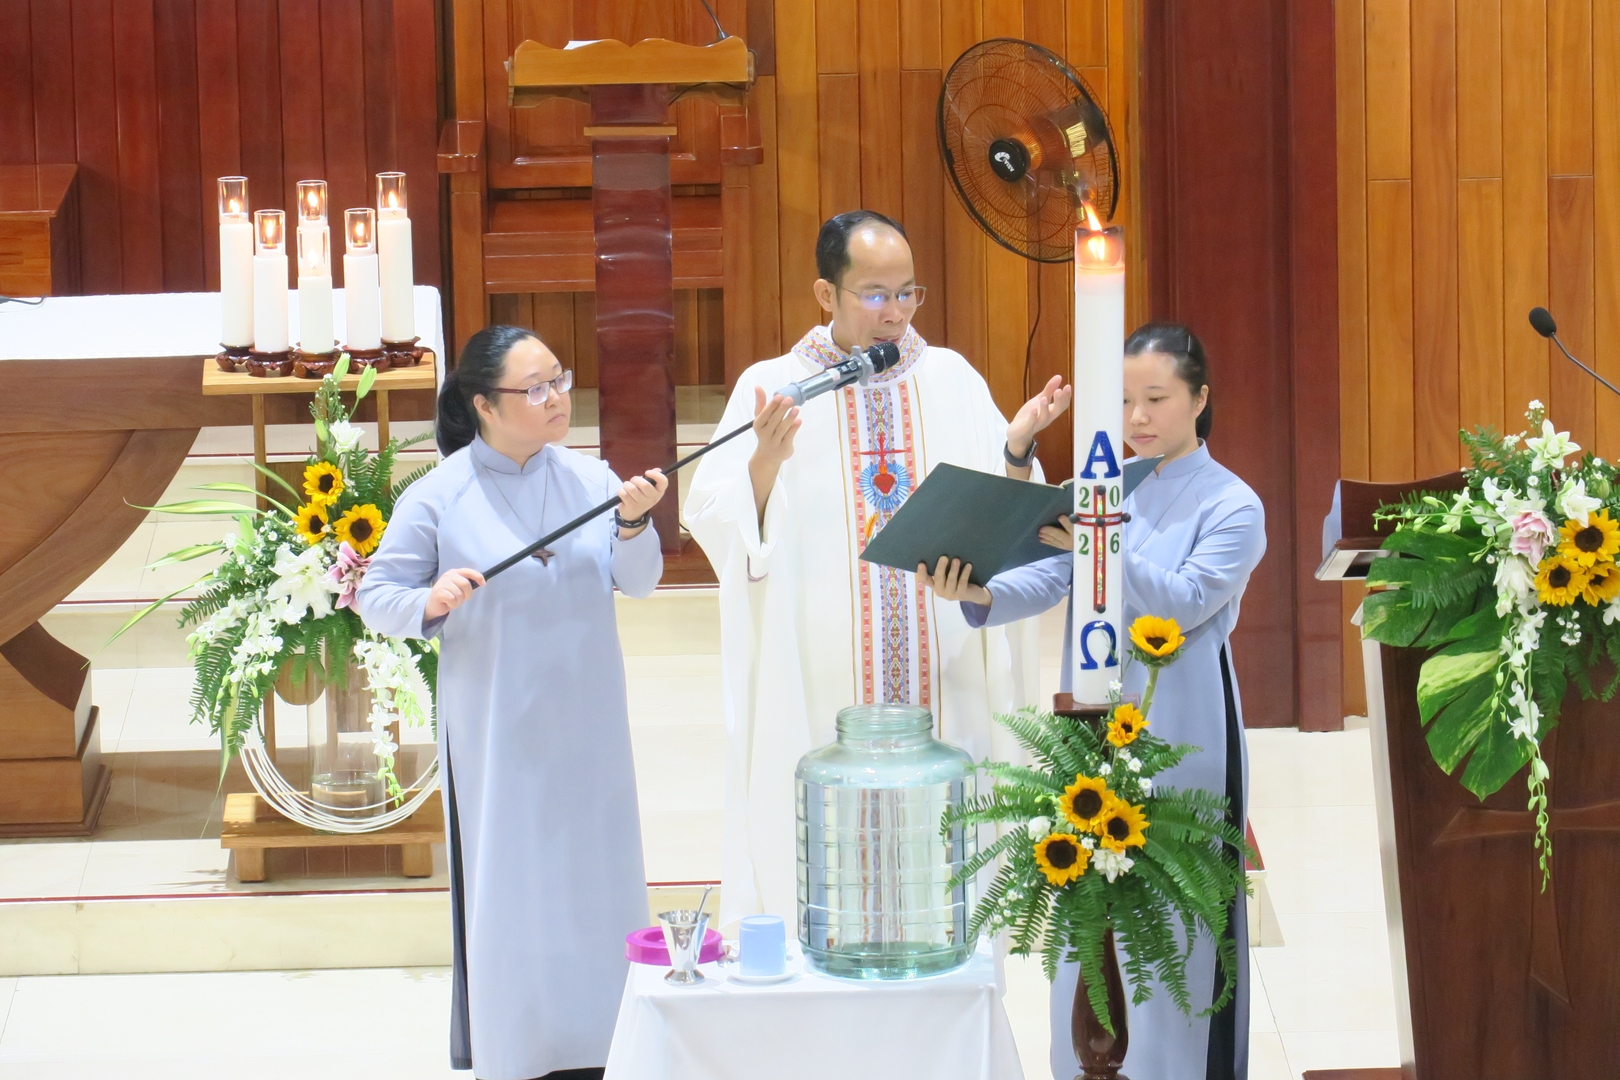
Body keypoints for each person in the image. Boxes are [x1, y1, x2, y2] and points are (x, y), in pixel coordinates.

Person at [684, 209, 1073, 927]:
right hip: (822, 676)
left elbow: (1009, 514)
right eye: (874, 295)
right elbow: (715, 517)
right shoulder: (776, 385)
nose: (895, 312)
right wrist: (765, 463)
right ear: (825, 294)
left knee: (943, 867)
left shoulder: (951, 377)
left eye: (907, 293)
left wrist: (1016, 449)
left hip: (942, 665)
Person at [919, 322, 1266, 1080]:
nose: (1137, 417)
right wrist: (977, 593)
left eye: (1157, 399)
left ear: (1200, 399)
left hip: (1187, 722)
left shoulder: (1234, 505)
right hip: (1092, 719)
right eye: (1126, 400)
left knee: (1177, 911)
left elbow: (1182, 605)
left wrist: (1102, 541)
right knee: (1090, 903)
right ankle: (1091, 1062)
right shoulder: (1106, 490)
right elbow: (1053, 576)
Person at [356, 325, 670, 1080]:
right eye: (535, 388)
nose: (557, 397)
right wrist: (430, 599)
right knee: (513, 884)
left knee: (598, 876)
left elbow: (640, 581)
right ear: (484, 405)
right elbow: (377, 595)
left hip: (589, 726)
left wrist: (634, 523)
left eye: (559, 379)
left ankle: (604, 1044)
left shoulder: (592, 480)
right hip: (498, 732)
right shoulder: (440, 494)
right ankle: (521, 1051)